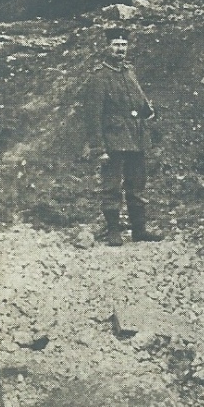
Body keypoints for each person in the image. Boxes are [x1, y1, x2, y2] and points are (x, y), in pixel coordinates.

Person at [82, 26, 164, 246]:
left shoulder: (129, 71)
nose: (120, 50)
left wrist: (147, 110)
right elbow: (93, 116)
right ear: (107, 47)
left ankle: (139, 230)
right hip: (114, 140)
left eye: (124, 45)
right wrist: (98, 148)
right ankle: (113, 231)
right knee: (112, 187)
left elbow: (139, 99)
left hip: (136, 137)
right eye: (116, 45)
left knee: (137, 185)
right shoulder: (99, 77)